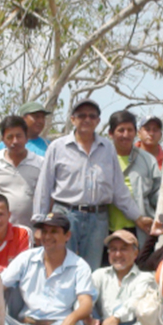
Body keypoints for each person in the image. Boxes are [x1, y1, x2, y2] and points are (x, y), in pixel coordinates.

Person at [32, 99, 152, 270]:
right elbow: (43, 187)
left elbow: (118, 188)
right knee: (60, 267)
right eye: (81, 115)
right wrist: (39, 223)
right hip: (65, 215)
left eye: (92, 116)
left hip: (98, 219)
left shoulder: (107, 148)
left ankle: (88, 298)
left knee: (91, 271)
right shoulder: (57, 147)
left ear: (97, 121)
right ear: (73, 119)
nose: (87, 119)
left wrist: (137, 217)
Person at [1, 213, 98, 325]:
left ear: (67, 236)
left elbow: (86, 304)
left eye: (54, 232)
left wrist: (71, 319)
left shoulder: (79, 266)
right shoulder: (26, 258)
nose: (47, 236)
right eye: (44, 232)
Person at [59, 230, 158, 325]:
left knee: (127, 312)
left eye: (124, 249)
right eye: (113, 250)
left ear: (135, 253)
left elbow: (133, 304)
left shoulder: (145, 278)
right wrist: (87, 318)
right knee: (86, 306)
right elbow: (83, 299)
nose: (118, 254)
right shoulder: (99, 274)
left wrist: (116, 318)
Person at [106, 110, 161, 249]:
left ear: (136, 132)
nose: (126, 135)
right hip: (105, 229)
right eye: (121, 130)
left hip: (140, 228)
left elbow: (158, 194)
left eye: (130, 130)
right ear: (111, 133)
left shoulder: (148, 160)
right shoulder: (101, 158)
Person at [0, 115, 44, 228]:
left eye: (19, 136)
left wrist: (42, 228)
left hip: (31, 233)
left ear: (26, 138)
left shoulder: (40, 164)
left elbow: (47, 199)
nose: (15, 141)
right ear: (3, 140)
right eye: (10, 137)